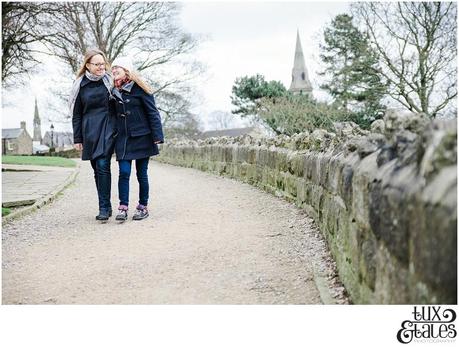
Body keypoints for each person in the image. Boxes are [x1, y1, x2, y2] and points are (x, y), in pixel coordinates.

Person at [110, 56, 164, 221]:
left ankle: (142, 207)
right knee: (124, 172)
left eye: (117, 68)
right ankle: (123, 207)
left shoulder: (141, 89)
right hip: (123, 139)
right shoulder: (112, 92)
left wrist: (157, 136)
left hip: (142, 137)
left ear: (126, 70)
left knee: (142, 174)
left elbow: (152, 113)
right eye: (112, 69)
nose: (113, 71)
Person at [70, 49, 116, 221]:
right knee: (96, 168)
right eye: (97, 64)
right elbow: (77, 114)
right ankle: (107, 205)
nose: (101, 67)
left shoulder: (110, 82)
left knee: (103, 164)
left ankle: (103, 208)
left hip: (108, 126)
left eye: (103, 64)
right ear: (88, 66)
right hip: (89, 129)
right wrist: (77, 138)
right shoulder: (80, 85)